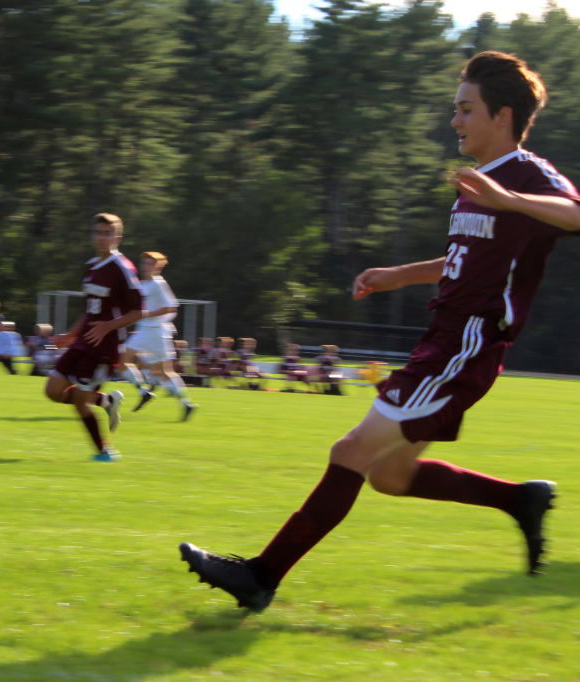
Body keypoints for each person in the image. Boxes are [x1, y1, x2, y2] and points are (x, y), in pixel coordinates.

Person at [179, 51, 579, 611]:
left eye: (466, 110)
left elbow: (576, 214)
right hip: (444, 339)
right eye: (455, 110)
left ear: (503, 116)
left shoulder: (526, 175)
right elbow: (466, 260)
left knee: (351, 450)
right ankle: (520, 499)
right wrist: (399, 275)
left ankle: (261, 576)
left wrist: (512, 199)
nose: (455, 121)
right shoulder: (475, 183)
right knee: (391, 475)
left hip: (467, 344)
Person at [44, 213, 144, 461]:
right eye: (98, 232)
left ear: (117, 237)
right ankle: (106, 401)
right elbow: (89, 310)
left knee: (79, 402)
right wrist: (70, 335)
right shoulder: (90, 266)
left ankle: (105, 451)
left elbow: (138, 311)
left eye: (107, 233)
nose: (101, 238)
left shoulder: (123, 267)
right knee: (53, 391)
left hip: (104, 346)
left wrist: (108, 326)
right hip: (83, 341)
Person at [119, 252, 197, 421]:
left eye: (150, 264)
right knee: (121, 360)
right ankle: (143, 392)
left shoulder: (158, 283)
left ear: (158, 267)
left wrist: (146, 314)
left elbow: (171, 307)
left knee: (163, 372)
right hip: (143, 330)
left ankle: (186, 403)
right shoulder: (141, 284)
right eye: (144, 263)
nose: (145, 266)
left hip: (156, 332)